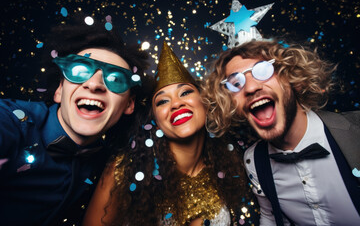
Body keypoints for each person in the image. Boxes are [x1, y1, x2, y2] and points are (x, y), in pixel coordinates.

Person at [0, 16, 150, 226]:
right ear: (59, 91)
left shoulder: (113, 162)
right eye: (80, 71)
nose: (94, 84)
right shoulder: (13, 120)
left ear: (129, 105)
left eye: (115, 79)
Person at [83, 41, 253, 226]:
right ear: (154, 122)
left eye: (185, 92)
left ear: (206, 102)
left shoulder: (230, 165)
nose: (176, 104)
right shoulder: (125, 169)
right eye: (162, 101)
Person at [202, 40, 360, 225]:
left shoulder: (354, 131)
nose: (251, 88)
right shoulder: (253, 160)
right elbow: (270, 217)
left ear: (293, 78)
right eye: (236, 83)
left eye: (263, 71)